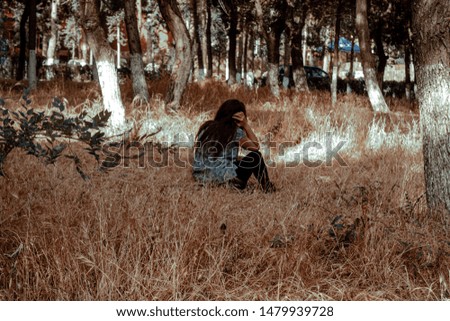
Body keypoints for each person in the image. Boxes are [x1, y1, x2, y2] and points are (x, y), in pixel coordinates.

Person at [193, 99, 275, 193]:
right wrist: (245, 125)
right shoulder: (234, 132)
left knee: (237, 160)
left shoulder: (206, 127)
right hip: (226, 180)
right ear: (238, 118)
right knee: (256, 156)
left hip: (201, 178)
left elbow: (219, 157)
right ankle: (267, 187)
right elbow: (255, 147)